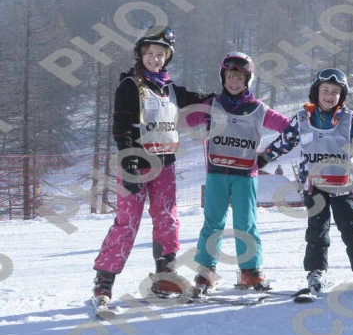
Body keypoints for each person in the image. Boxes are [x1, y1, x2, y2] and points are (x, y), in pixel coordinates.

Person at [91, 27, 209, 313]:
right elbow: (121, 127)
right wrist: (128, 160)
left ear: (167, 58)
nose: (154, 59)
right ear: (140, 55)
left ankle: (165, 277)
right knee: (127, 223)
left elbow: (202, 100)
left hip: (164, 165)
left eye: (160, 55)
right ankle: (103, 283)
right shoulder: (130, 85)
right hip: (136, 165)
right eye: (150, 54)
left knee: (167, 218)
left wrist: (228, 98)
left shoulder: (171, 89)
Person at [259, 68, 353, 300]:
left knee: (351, 227)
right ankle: (315, 270)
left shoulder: (349, 119)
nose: (330, 96)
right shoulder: (302, 119)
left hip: (342, 185)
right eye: (326, 91)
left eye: (335, 92)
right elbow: (285, 142)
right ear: (316, 92)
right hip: (314, 186)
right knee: (317, 230)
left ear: (342, 95)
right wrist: (265, 157)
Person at [189, 52, 292, 293]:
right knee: (213, 222)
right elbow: (184, 119)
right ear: (222, 78)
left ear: (248, 80)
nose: (233, 82)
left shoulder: (258, 109)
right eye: (229, 77)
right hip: (217, 172)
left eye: (239, 78)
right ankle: (206, 272)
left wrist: (268, 154)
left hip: (245, 175)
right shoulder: (212, 104)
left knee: (245, 223)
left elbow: (290, 128)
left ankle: (250, 271)